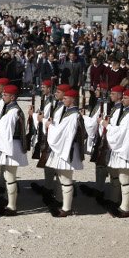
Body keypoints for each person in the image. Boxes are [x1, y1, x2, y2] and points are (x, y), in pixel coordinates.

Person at [0, 84, 29, 216]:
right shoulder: (11, 109)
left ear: (13, 97)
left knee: (10, 177)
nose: (3, 96)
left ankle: (12, 206)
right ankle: (8, 200)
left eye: (5, 95)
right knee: (8, 176)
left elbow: (4, 130)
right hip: (11, 145)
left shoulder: (12, 112)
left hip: (11, 146)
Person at [43, 89, 86, 217]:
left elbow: (63, 132)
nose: (63, 99)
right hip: (64, 148)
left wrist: (50, 126)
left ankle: (66, 208)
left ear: (73, 99)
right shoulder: (69, 113)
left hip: (68, 150)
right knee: (62, 177)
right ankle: (61, 202)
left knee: (66, 179)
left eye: (66, 98)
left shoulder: (72, 115)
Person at [103, 88, 129, 218]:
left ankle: (126, 208)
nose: (123, 100)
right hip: (121, 149)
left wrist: (107, 126)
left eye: (126, 98)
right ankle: (118, 203)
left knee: (125, 180)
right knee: (119, 178)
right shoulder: (126, 112)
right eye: (123, 97)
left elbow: (123, 133)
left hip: (126, 150)